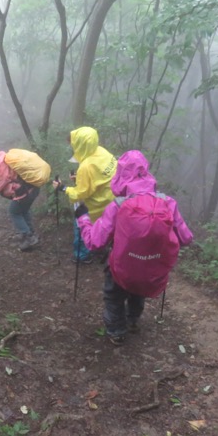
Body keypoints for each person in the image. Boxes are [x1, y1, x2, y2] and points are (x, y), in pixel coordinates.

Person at [75, 150, 193, 345]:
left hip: (121, 265)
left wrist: (83, 218)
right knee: (139, 290)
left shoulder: (119, 205)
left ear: (120, 174)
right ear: (146, 171)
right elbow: (186, 238)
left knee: (114, 296)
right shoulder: (167, 202)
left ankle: (116, 332)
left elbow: (94, 242)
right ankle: (132, 320)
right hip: (151, 267)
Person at [52, 127, 116, 263]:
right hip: (111, 201)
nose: (72, 147)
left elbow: (80, 194)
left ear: (80, 144)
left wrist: (62, 188)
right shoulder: (102, 152)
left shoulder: (86, 166)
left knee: (81, 226)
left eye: (74, 144)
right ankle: (102, 246)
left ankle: (82, 255)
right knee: (105, 226)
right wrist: (79, 179)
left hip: (95, 205)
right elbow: (100, 177)